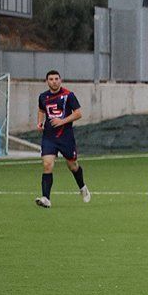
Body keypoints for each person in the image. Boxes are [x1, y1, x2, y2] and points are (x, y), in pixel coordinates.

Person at [35, 70, 91, 208]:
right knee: (47, 165)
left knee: (72, 165)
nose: (54, 81)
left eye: (56, 79)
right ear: (47, 81)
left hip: (66, 137)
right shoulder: (43, 96)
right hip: (49, 137)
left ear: (60, 80)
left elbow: (78, 114)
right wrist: (40, 122)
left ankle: (82, 187)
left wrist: (62, 121)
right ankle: (46, 198)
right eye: (51, 79)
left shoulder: (68, 95)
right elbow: (41, 110)